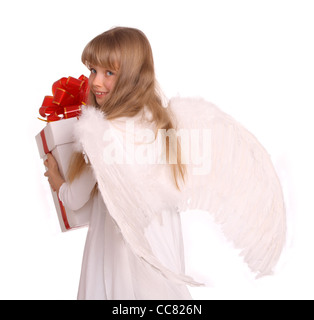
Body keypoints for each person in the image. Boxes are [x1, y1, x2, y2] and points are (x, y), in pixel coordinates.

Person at [43, 27, 286, 300]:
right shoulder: (164, 124)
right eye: (93, 71)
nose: (96, 82)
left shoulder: (102, 133)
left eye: (109, 73)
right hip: (163, 253)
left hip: (117, 257)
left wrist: (58, 181)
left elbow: (75, 199)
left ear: (132, 76)